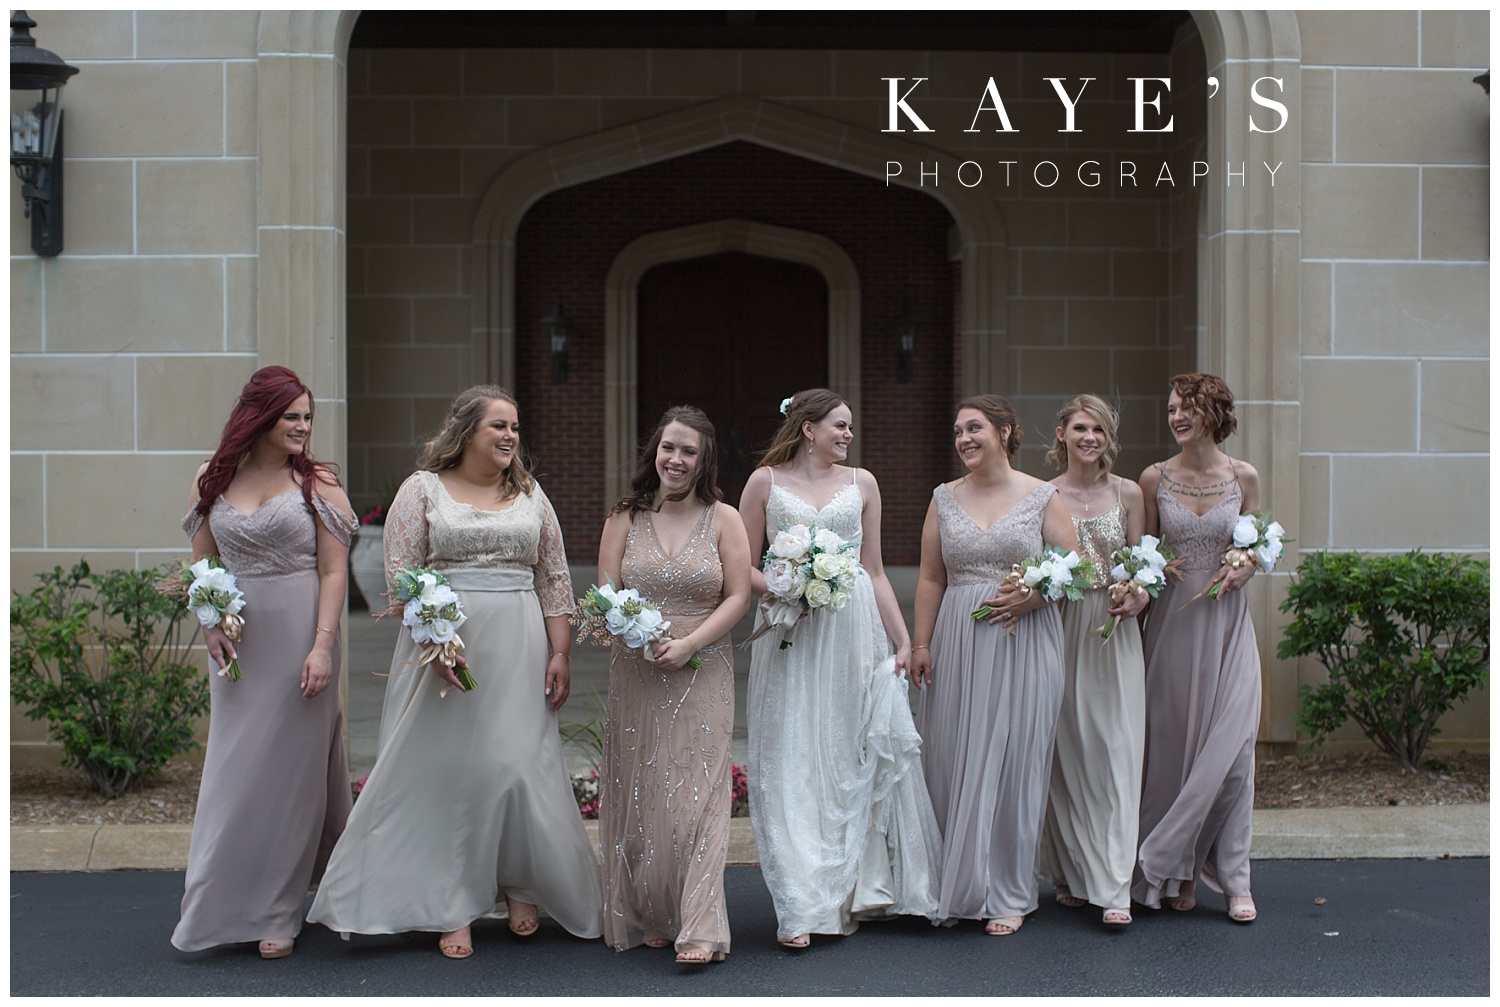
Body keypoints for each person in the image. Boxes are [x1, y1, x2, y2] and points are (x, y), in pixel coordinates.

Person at [307, 385, 602, 958]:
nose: (510, 437)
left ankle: (520, 883)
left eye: (515, 427)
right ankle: (450, 903)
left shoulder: (531, 494)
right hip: (444, 648)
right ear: (467, 431)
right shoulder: (421, 491)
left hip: (519, 645)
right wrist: (434, 641)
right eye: (499, 426)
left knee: (517, 767)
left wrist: (560, 651)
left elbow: (554, 578)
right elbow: (401, 578)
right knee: (450, 773)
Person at [739, 388, 941, 948]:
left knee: (845, 752)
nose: (848, 435)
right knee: (793, 753)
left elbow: (873, 570)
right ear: (807, 428)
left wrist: (903, 641)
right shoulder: (764, 483)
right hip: (792, 631)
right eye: (840, 425)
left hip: (854, 632)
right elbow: (742, 565)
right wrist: (786, 586)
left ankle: (848, 888)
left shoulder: (864, 483)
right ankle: (803, 905)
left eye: (849, 427)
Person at [171, 365, 356, 959]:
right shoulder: (212, 476)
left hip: (302, 633)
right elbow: (204, 563)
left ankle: (280, 908)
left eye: (308, 416)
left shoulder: (317, 482)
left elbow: (334, 570)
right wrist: (208, 623)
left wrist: (323, 645)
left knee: (293, 778)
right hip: (238, 645)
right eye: (291, 417)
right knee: (233, 775)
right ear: (259, 418)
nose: (303, 427)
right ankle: (216, 904)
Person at [910, 394, 1079, 936]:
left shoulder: (1042, 496)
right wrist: (921, 643)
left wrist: (1035, 596)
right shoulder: (943, 498)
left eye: (974, 428)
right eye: (958, 431)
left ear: (1006, 432)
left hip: (1024, 640)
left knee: (1015, 761)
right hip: (959, 637)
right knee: (953, 757)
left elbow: (1075, 572)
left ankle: (1007, 891)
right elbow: (932, 577)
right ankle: (956, 882)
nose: (964, 439)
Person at [596, 406, 752, 965]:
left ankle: (702, 924)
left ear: (704, 460)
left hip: (702, 665)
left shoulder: (724, 518)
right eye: (669, 448)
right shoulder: (625, 516)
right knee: (645, 789)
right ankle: (657, 912)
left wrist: (689, 644)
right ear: (654, 452)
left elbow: (738, 595)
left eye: (689, 451)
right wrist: (634, 633)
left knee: (699, 793)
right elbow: (606, 591)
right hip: (635, 666)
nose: (676, 459)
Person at [1133, 372, 1261, 924]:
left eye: (1186, 408)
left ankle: (1235, 880)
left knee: (1233, 760)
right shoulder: (1153, 478)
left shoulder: (1244, 477)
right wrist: (1144, 577)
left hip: (1229, 626)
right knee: (1170, 753)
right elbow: (1143, 554)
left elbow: (1256, 545)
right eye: (1171, 410)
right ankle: (1171, 873)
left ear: (1214, 413)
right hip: (1173, 626)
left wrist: (1245, 566)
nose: (1176, 417)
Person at [1037, 394, 1149, 927]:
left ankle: (1115, 884)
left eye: (1099, 430)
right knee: (1066, 751)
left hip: (1113, 632)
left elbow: (1143, 564)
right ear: (1061, 434)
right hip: (1059, 627)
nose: (1090, 438)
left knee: (1116, 752)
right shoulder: (1040, 495)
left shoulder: (1128, 492)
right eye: (1080, 428)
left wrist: (1141, 593)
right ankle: (1073, 870)